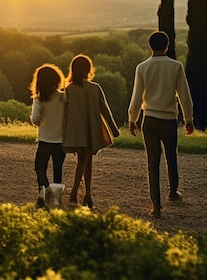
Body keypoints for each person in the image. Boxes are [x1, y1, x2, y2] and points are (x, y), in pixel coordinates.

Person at [128, 31, 194, 219]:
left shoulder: (142, 67)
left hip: (149, 120)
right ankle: (173, 191)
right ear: (167, 46)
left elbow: (136, 96)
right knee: (171, 157)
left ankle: (156, 205)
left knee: (152, 162)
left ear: (150, 46)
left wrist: (132, 119)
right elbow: (184, 95)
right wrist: (188, 119)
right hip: (169, 120)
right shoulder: (176, 66)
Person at [63, 54, 119, 208]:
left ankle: (86, 194)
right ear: (88, 70)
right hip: (92, 129)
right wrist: (114, 129)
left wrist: (64, 132)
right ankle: (76, 192)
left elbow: (65, 113)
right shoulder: (95, 88)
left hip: (76, 130)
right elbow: (105, 110)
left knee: (84, 161)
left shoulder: (69, 89)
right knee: (85, 161)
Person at [29, 64, 67, 208]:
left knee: (40, 168)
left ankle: (44, 194)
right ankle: (55, 200)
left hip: (45, 140)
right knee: (58, 170)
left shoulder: (39, 99)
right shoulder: (64, 97)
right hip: (61, 141)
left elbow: (35, 120)